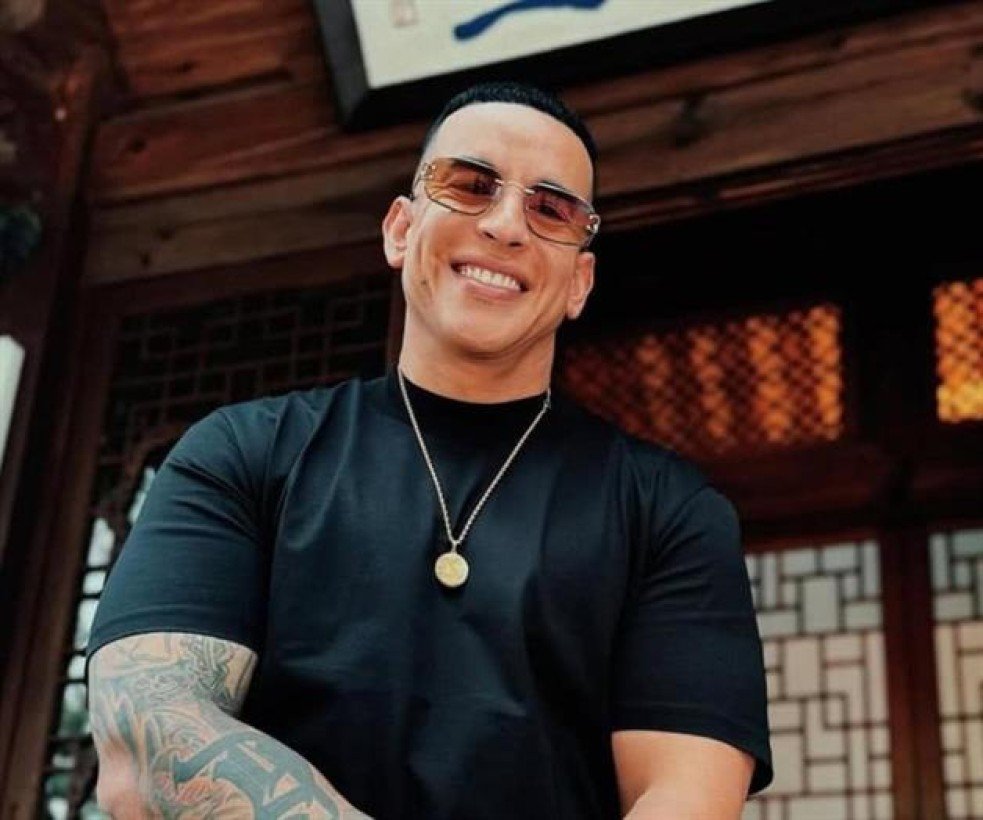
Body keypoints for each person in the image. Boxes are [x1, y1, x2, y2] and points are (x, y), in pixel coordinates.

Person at [87, 81, 773, 819]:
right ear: (400, 230)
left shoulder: (668, 510)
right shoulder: (243, 455)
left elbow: (687, 795)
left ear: (580, 281)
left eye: (551, 209)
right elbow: (149, 743)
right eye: (471, 186)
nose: (505, 226)